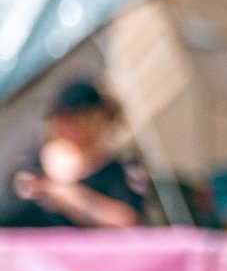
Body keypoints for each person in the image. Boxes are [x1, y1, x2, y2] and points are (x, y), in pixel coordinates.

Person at [0, 81, 146, 229]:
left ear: (96, 117)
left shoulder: (122, 170)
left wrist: (67, 196)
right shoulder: (35, 159)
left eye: (73, 118)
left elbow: (127, 221)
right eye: (60, 117)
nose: (64, 125)